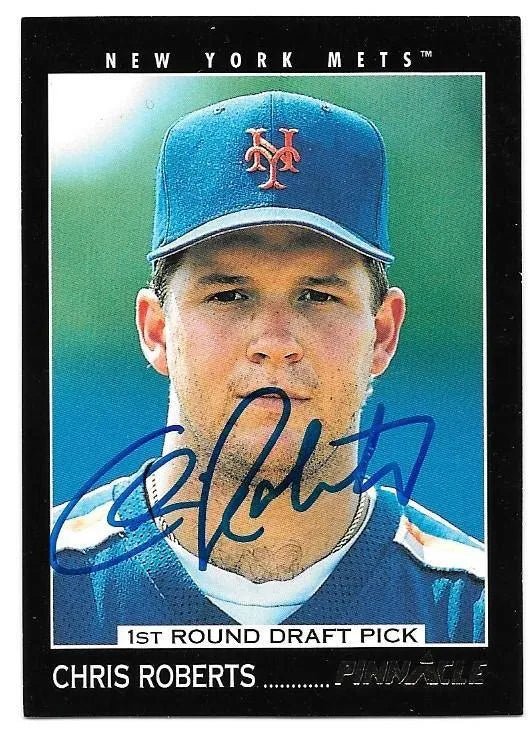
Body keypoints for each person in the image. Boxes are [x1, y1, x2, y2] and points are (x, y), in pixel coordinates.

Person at [51, 91, 485, 645]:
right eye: (229, 295)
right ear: (156, 331)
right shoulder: (34, 592)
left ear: (382, 334)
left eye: (318, 295)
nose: (275, 343)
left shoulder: (480, 614)